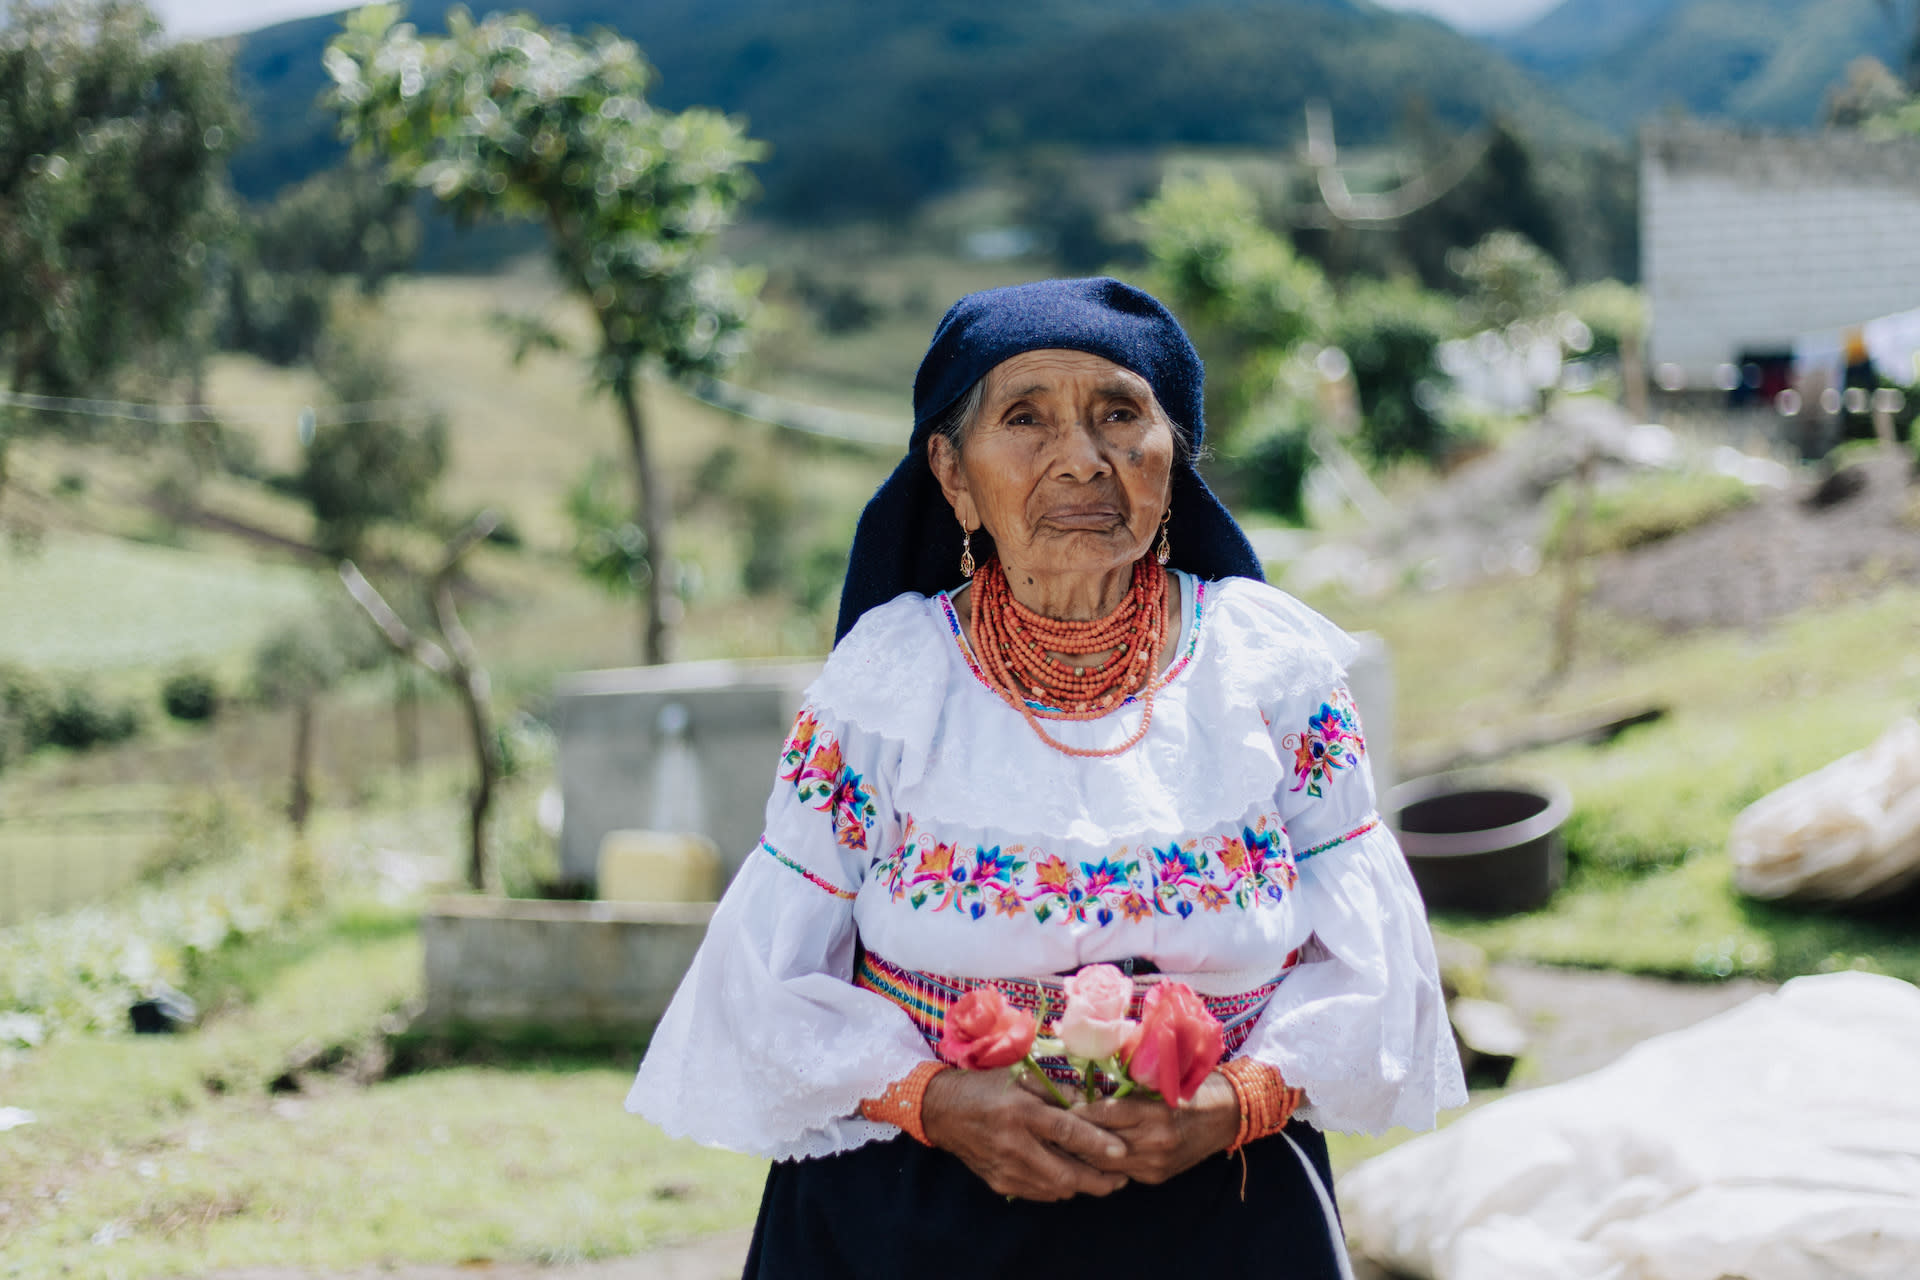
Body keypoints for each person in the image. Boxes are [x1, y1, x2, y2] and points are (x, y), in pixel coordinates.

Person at [627, 277, 1465, 1277]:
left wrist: (1237, 1096)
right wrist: (933, 1097)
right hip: (915, 1212)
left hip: (1224, 1209)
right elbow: (766, 979)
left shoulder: (1272, 673)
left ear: (1172, 458)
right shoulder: (885, 686)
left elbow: (1372, 964)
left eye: (1120, 414)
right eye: (1025, 418)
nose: (1081, 457)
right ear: (952, 473)